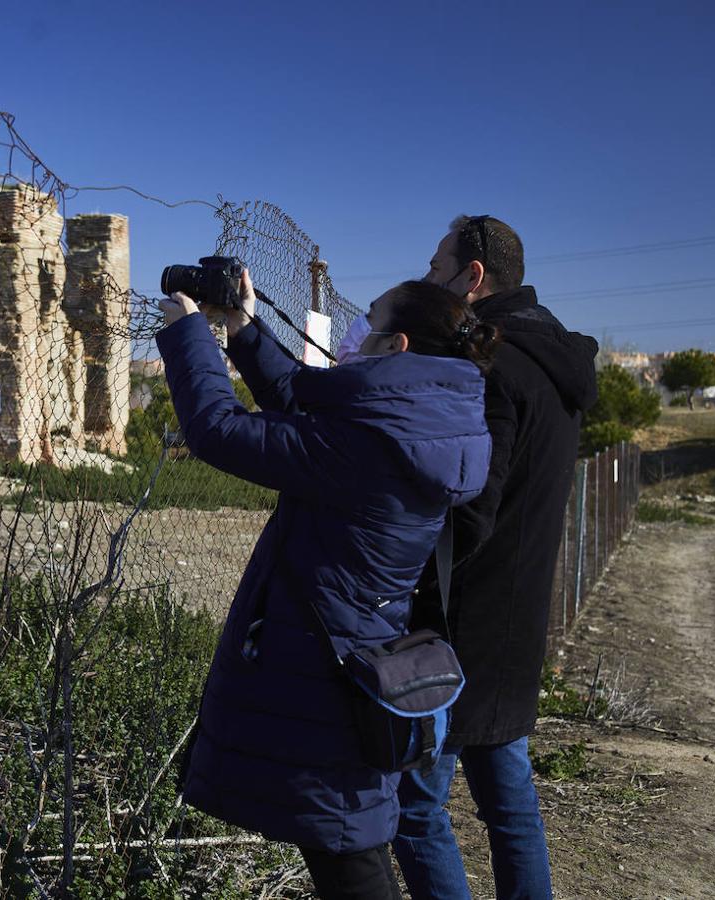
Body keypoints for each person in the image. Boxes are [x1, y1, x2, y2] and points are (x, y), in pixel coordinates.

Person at [156, 274, 496, 899]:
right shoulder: (420, 427)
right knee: (345, 844)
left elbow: (219, 431)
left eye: (366, 321)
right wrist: (242, 328)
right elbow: (303, 399)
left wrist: (188, 336)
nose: (352, 333)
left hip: (327, 673)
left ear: (395, 347)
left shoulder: (369, 445)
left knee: (348, 853)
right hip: (350, 654)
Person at [391, 215, 599, 900]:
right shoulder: (552, 361)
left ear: (472, 277)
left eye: (437, 265)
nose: (429, 279)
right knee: (509, 806)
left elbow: (472, 510)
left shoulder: (493, 367)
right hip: (514, 619)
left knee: (416, 811)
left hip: (456, 626)